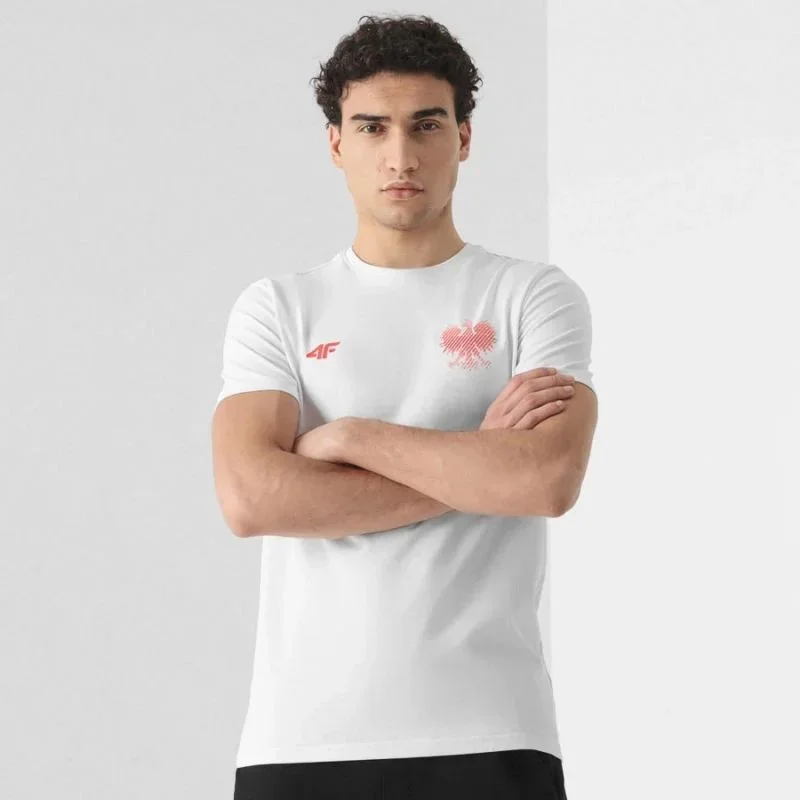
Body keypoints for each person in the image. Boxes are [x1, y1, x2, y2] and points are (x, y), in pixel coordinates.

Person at [213, 13, 598, 799]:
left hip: (493, 730)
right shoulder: (279, 308)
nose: (400, 155)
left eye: (426, 124)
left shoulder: (531, 295)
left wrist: (348, 437)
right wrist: (477, 463)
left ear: (463, 137)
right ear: (336, 144)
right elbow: (251, 498)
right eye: (372, 127)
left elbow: (545, 480)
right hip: (302, 738)